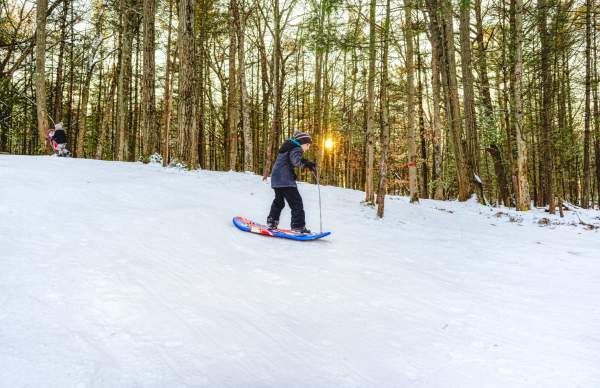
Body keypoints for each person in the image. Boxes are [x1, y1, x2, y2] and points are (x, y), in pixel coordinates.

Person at [267, 131, 316, 234]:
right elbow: (296, 160)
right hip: (285, 180)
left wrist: (291, 172)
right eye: (307, 145)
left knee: (279, 201)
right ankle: (298, 226)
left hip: (276, 179)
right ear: (301, 143)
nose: (308, 148)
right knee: (296, 203)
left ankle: (272, 221)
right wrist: (307, 164)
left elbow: (284, 163)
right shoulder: (296, 148)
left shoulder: (287, 147)